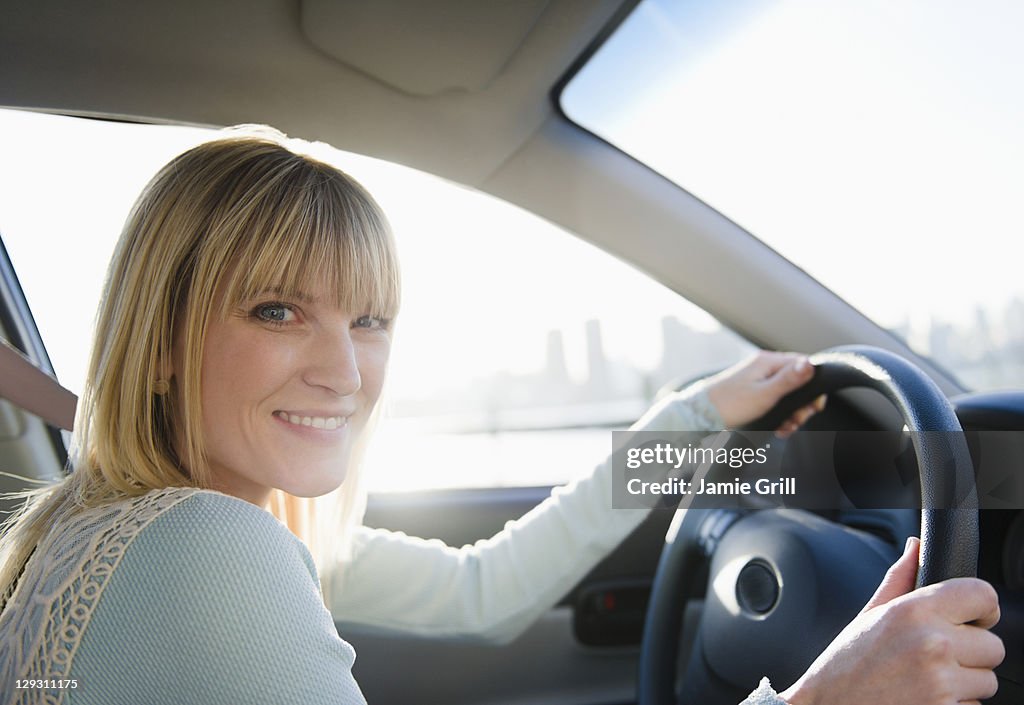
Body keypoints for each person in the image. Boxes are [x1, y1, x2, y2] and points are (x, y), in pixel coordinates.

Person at [0, 132, 1003, 705]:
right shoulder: (210, 551)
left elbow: (487, 590)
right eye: (277, 310)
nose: (345, 370)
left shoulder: (103, 528)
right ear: (162, 340)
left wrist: (690, 419)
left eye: (370, 320)